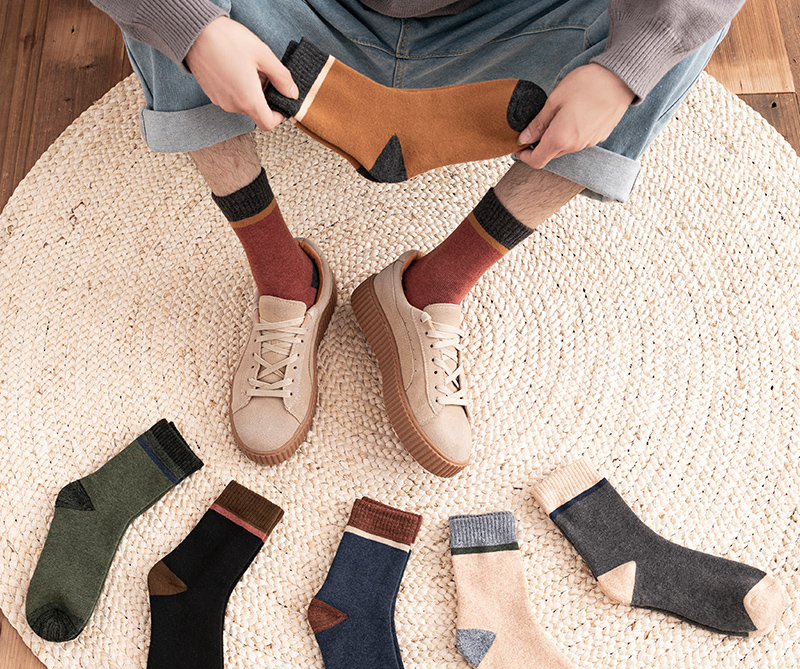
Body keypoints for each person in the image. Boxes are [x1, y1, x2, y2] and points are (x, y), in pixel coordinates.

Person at [90, 0, 743, 476]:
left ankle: (433, 288)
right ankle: (286, 280)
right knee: (173, 10)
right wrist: (193, 27)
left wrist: (625, 68)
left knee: (674, 32)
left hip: (511, 22)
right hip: (305, 11)